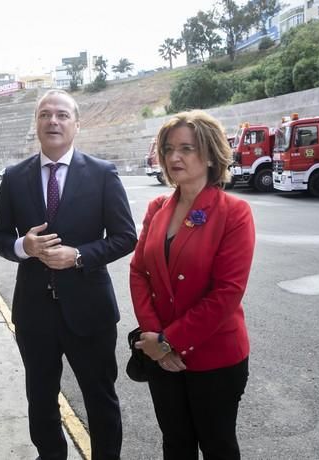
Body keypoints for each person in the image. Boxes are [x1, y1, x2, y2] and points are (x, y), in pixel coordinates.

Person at [0, 89, 137, 460]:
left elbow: (125, 237)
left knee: (99, 397)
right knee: (40, 397)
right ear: (36, 123)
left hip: (90, 310)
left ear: (75, 123)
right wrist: (25, 247)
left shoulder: (102, 174)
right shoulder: (14, 176)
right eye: (44, 114)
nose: (52, 121)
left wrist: (80, 255)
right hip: (34, 312)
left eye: (61, 115)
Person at [129, 110, 255, 460]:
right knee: (176, 444)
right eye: (168, 148)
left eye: (186, 148)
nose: (173, 157)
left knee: (218, 446)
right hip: (160, 355)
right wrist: (154, 339)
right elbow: (139, 272)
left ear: (211, 154)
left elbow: (227, 293)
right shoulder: (157, 207)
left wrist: (170, 341)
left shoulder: (234, 211)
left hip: (215, 357)